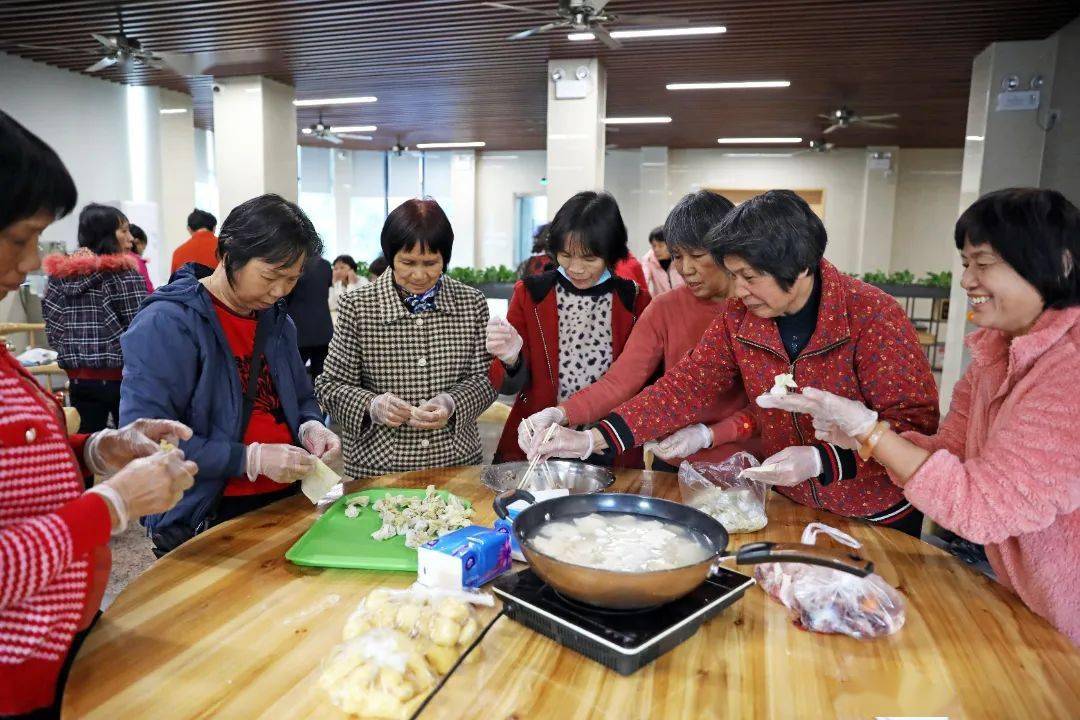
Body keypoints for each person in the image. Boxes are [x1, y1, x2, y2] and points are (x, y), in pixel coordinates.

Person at [760, 188, 1080, 644]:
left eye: (983, 264)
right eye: (965, 263)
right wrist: (859, 439)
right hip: (1021, 587)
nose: (967, 280)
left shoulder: (1068, 368)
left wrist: (870, 430)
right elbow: (947, 453)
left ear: (1062, 263)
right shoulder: (995, 355)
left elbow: (981, 507)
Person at [532, 190, 939, 536]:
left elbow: (915, 430)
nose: (738, 291)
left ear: (799, 266)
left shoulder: (871, 315)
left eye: (749, 276)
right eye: (733, 275)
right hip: (791, 507)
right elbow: (684, 387)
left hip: (876, 513)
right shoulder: (739, 316)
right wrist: (591, 439)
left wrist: (820, 459)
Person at [0, 109, 198, 719]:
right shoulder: (129, 285)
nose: (33, 261)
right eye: (21, 238)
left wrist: (96, 453)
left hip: (62, 640)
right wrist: (111, 503)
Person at [121, 194, 341, 555]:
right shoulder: (168, 324)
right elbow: (145, 440)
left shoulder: (278, 322)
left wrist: (310, 425)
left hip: (285, 500)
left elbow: (300, 396)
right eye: (270, 276)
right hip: (208, 512)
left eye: (291, 279)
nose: (279, 291)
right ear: (228, 255)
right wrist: (249, 459)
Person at [521, 191, 757, 471]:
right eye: (678, 256)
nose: (686, 269)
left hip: (745, 464)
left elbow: (769, 404)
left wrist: (711, 434)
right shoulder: (664, 308)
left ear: (726, 250)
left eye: (697, 255)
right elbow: (621, 381)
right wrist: (561, 413)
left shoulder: (757, 308)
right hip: (673, 460)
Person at [316, 199, 496, 479]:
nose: (420, 274)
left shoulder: (470, 303)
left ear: (445, 259)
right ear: (390, 256)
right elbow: (330, 387)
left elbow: (486, 379)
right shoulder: (359, 306)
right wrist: (372, 406)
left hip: (454, 460)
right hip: (378, 466)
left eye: (431, 263)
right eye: (408, 262)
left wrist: (452, 403)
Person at [486, 191, 651, 465]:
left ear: (611, 254)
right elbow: (508, 384)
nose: (576, 268)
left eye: (589, 259)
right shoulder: (531, 294)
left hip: (607, 445)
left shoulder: (633, 300)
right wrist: (511, 358)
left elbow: (643, 380)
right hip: (539, 442)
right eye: (566, 255)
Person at [42, 203, 148, 440]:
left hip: (78, 378)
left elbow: (53, 322)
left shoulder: (60, 276)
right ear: (106, 234)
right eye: (124, 231)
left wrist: (69, 352)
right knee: (132, 449)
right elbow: (140, 326)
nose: (130, 239)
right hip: (122, 378)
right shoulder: (124, 273)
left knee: (86, 448)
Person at [286, 255, 334, 382]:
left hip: (298, 328)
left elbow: (285, 294)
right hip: (323, 328)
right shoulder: (325, 264)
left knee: (293, 377)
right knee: (321, 377)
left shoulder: (293, 263)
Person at [170, 208, 218, 274]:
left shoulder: (178, 253)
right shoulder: (225, 248)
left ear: (189, 229)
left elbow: (174, 282)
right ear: (214, 228)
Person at [640, 226, 684, 298]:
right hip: (662, 304)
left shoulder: (681, 257)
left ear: (670, 244)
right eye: (654, 246)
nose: (656, 249)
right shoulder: (648, 259)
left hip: (683, 300)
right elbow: (644, 281)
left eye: (660, 246)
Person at [329, 253, 370, 325]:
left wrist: (351, 283)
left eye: (342, 267)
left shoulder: (363, 282)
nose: (338, 271)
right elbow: (331, 306)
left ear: (352, 269)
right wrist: (333, 285)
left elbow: (350, 305)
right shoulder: (338, 284)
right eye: (335, 269)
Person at [128, 223, 153, 293]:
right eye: (143, 248)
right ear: (137, 242)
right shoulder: (137, 261)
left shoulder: (117, 259)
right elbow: (149, 289)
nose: (142, 252)